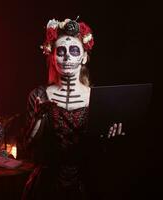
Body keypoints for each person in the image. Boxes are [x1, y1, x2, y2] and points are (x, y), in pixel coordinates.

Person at [21, 18, 125, 200]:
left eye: (74, 50)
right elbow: (28, 148)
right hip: (46, 187)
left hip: (85, 186)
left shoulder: (96, 98)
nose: (67, 57)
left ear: (84, 57)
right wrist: (38, 120)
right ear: (52, 57)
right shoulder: (38, 96)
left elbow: (99, 154)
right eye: (61, 51)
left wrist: (110, 141)